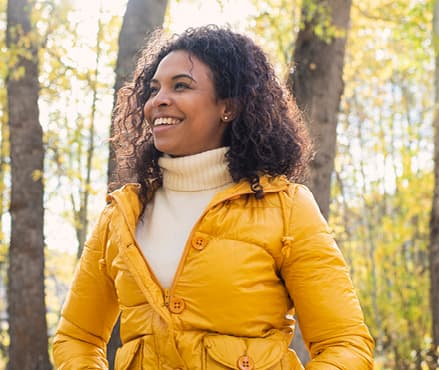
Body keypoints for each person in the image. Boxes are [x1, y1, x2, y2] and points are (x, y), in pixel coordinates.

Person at [52, 25, 374, 369]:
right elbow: (77, 337)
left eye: (181, 86)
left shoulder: (286, 207)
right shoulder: (121, 215)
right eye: (154, 88)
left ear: (229, 107)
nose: (158, 99)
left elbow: (345, 343)